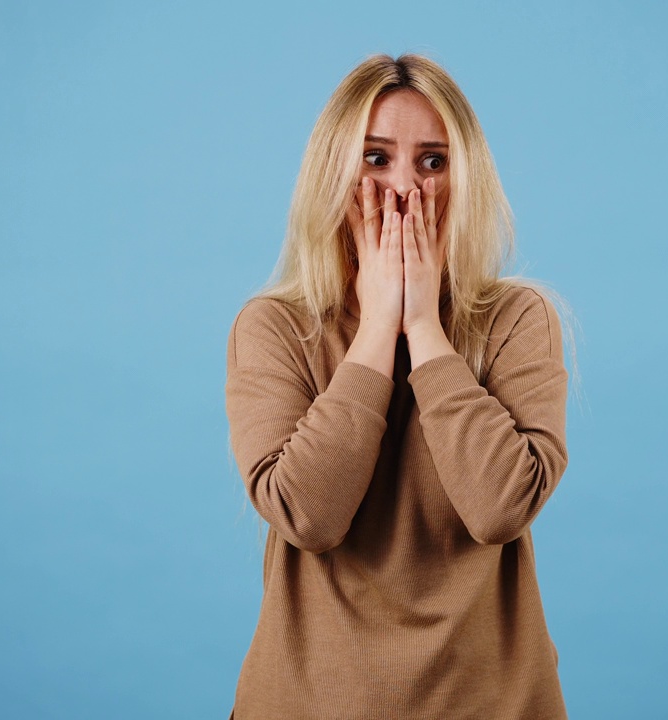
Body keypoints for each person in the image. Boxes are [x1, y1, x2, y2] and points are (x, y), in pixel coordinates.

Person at [224, 53, 570, 719]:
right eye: (376, 158)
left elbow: (500, 506)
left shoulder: (519, 321)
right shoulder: (272, 328)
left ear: (463, 179)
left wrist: (423, 325)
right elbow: (309, 515)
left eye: (433, 162)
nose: (404, 187)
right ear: (335, 173)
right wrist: (378, 326)